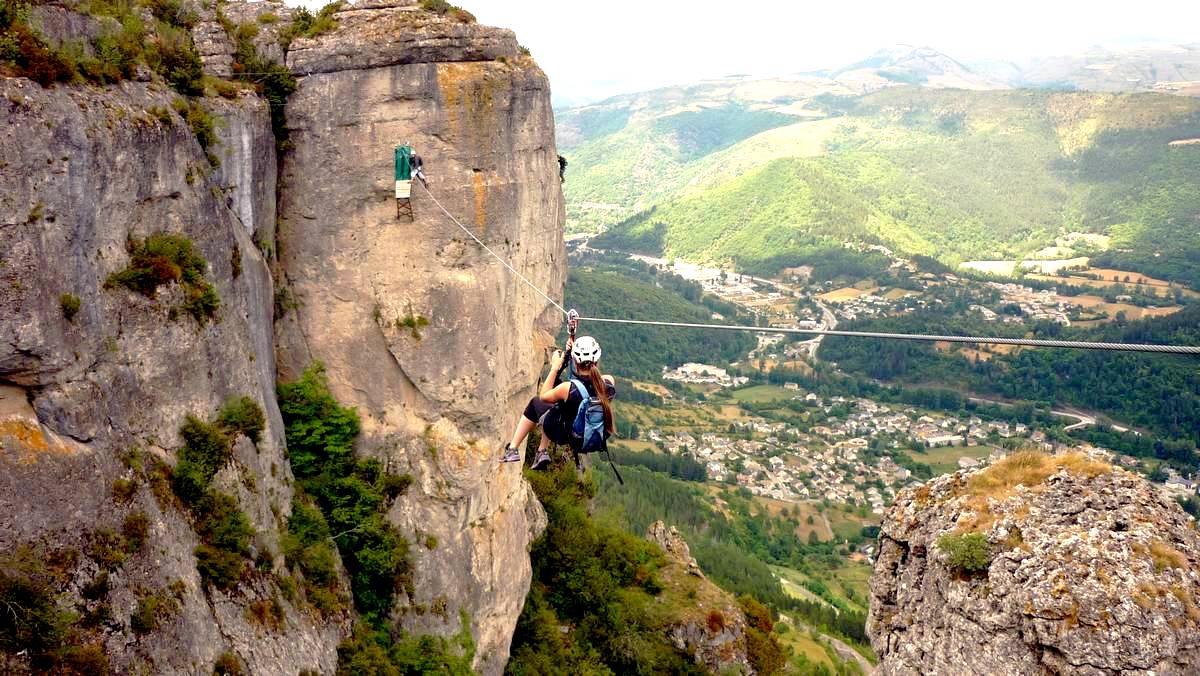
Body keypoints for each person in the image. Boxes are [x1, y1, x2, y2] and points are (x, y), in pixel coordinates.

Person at [499, 336, 616, 470]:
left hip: (564, 434)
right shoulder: (608, 383)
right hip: (590, 436)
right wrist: (571, 355)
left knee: (536, 403)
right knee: (560, 405)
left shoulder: (567, 389)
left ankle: (513, 449)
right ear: (597, 360)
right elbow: (589, 383)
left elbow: (544, 396)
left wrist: (555, 367)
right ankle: (541, 452)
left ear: (576, 362)